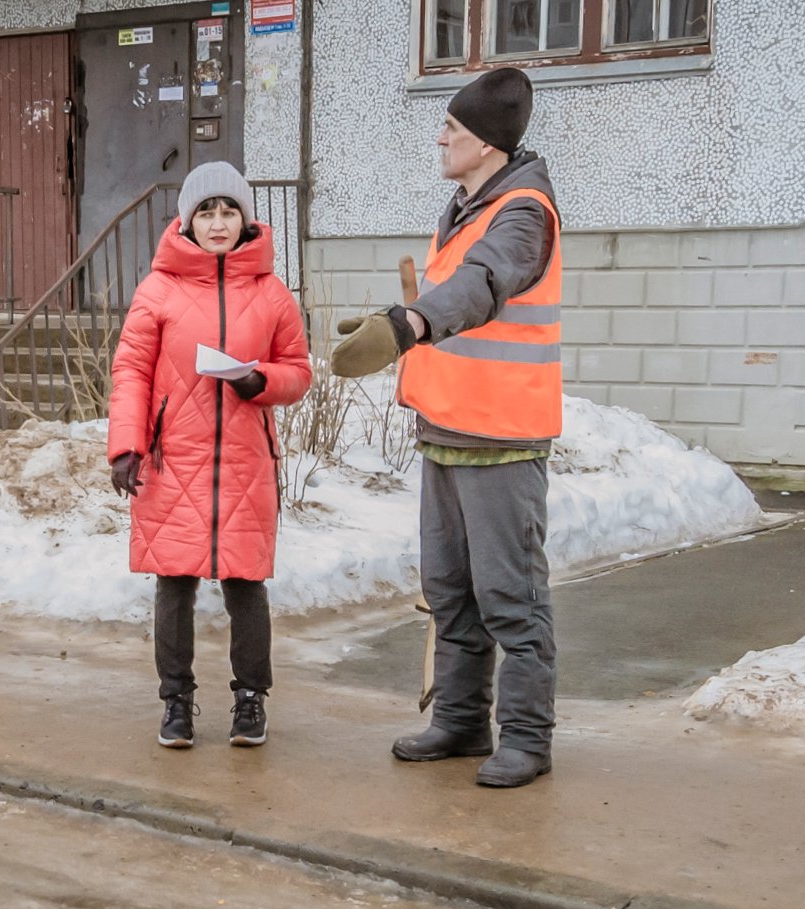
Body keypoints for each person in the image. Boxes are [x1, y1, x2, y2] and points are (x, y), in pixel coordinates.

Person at [331, 68, 561, 789]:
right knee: (451, 591)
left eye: (453, 129)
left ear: (487, 143)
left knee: (510, 597)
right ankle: (461, 721)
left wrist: (411, 322)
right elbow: (450, 295)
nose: (441, 137)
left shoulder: (522, 213)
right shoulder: (466, 205)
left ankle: (525, 737)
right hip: (448, 428)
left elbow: (484, 284)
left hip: (502, 434)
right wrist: (397, 316)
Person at [108, 161, 312, 749]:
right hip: (175, 458)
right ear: (187, 220)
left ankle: (251, 700)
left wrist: (262, 382)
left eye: (229, 211)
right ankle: (176, 701)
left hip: (246, 462)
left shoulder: (272, 292)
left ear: (245, 219)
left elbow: (299, 372)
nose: (218, 223)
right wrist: (127, 445)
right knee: (174, 582)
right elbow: (131, 372)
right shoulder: (158, 291)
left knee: (246, 585)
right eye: (206, 211)